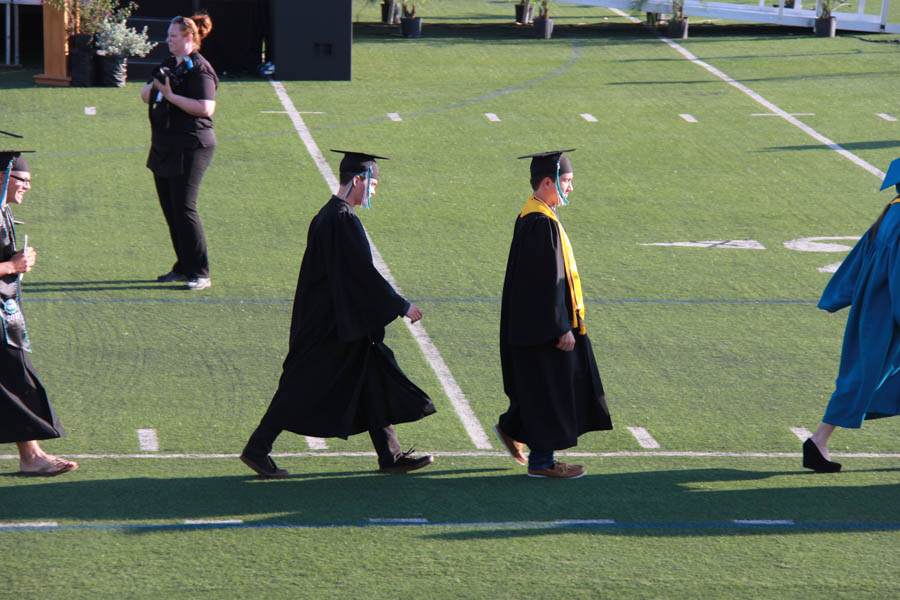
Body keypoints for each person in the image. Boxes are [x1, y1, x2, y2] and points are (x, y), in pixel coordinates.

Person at [240, 151, 436, 478]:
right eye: (372, 184)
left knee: (372, 375)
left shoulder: (329, 216)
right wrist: (401, 305)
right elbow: (361, 275)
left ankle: (390, 455)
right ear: (358, 180)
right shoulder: (341, 220)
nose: (374, 191)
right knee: (299, 385)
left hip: (335, 321)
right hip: (328, 326)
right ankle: (257, 449)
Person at [494, 149, 612, 479]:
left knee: (542, 389)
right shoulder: (539, 223)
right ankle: (542, 462)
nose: (571, 188)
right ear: (548, 182)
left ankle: (512, 428)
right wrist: (561, 326)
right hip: (544, 328)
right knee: (551, 391)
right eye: (567, 181)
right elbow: (546, 283)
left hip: (534, 325)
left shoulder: (536, 215)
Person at [804, 158, 900, 472]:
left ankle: (818, 441)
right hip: (888, 314)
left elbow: (860, 257)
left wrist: (838, 297)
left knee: (868, 375)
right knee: (863, 377)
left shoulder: (892, 210)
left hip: (877, 309)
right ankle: (818, 440)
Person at [0, 153, 77, 476]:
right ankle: (31, 456)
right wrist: (9, 266)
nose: (27, 187)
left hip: (4, 315)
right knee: (14, 381)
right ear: (2, 176)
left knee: (15, 379)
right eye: (23, 180)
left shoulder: (3, 211)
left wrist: (18, 261)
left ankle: (31, 455)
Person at [140, 13, 218, 291]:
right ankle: (183, 266)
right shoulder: (170, 64)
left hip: (191, 145)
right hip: (165, 145)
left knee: (184, 208)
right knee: (170, 208)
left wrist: (171, 96)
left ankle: (201, 271)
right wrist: (159, 86)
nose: (168, 40)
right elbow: (145, 94)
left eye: (173, 36)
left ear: (189, 38)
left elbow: (206, 107)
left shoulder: (200, 69)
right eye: (169, 35)